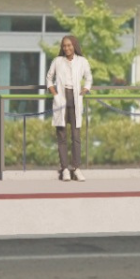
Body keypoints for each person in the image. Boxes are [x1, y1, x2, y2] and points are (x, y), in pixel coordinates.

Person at [45, 34, 94, 182]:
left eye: (69, 45)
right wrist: (54, 94)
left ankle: (76, 168)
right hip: (61, 98)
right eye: (64, 46)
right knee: (62, 136)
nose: (66, 48)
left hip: (76, 97)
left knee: (76, 136)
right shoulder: (57, 61)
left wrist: (85, 90)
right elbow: (49, 78)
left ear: (74, 46)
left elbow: (89, 78)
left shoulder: (82, 61)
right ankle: (65, 169)